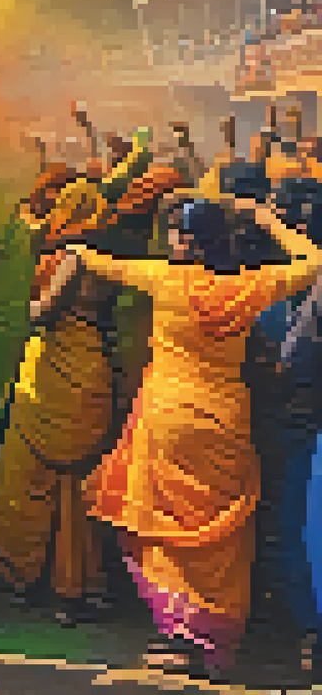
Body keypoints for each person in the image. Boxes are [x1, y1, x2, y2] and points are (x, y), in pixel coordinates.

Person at [73, 197, 322, 681]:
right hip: (226, 423)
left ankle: (180, 636)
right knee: (221, 536)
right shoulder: (251, 285)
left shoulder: (165, 279)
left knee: (161, 525)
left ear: (185, 241)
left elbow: (100, 262)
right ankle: (214, 642)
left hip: (168, 419)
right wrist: (266, 219)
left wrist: (76, 244)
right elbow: (313, 262)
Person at [0, 178, 117, 626]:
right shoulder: (112, 254)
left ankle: (22, 574)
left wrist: (14, 304)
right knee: (76, 486)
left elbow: (47, 311)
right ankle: (74, 586)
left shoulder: (74, 256)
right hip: (92, 368)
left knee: (26, 475)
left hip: (54, 372)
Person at [249, 177, 322, 669]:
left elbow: (293, 361)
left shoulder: (302, 283)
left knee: (292, 523)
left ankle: (308, 628)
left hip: (296, 418)